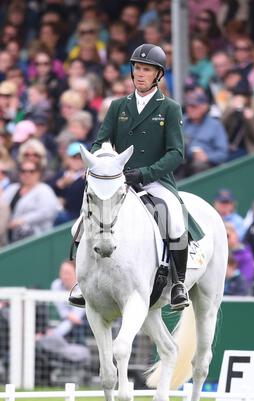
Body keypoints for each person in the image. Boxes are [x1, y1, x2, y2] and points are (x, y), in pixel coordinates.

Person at [70, 43, 189, 311]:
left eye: (146, 70)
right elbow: (99, 143)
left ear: (158, 75)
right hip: (117, 179)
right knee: (82, 220)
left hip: (154, 179)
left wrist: (145, 174)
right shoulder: (118, 106)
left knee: (173, 218)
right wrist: (103, 166)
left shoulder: (169, 108)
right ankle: (82, 281)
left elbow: (176, 153)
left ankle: (178, 283)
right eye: (137, 68)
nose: (140, 74)